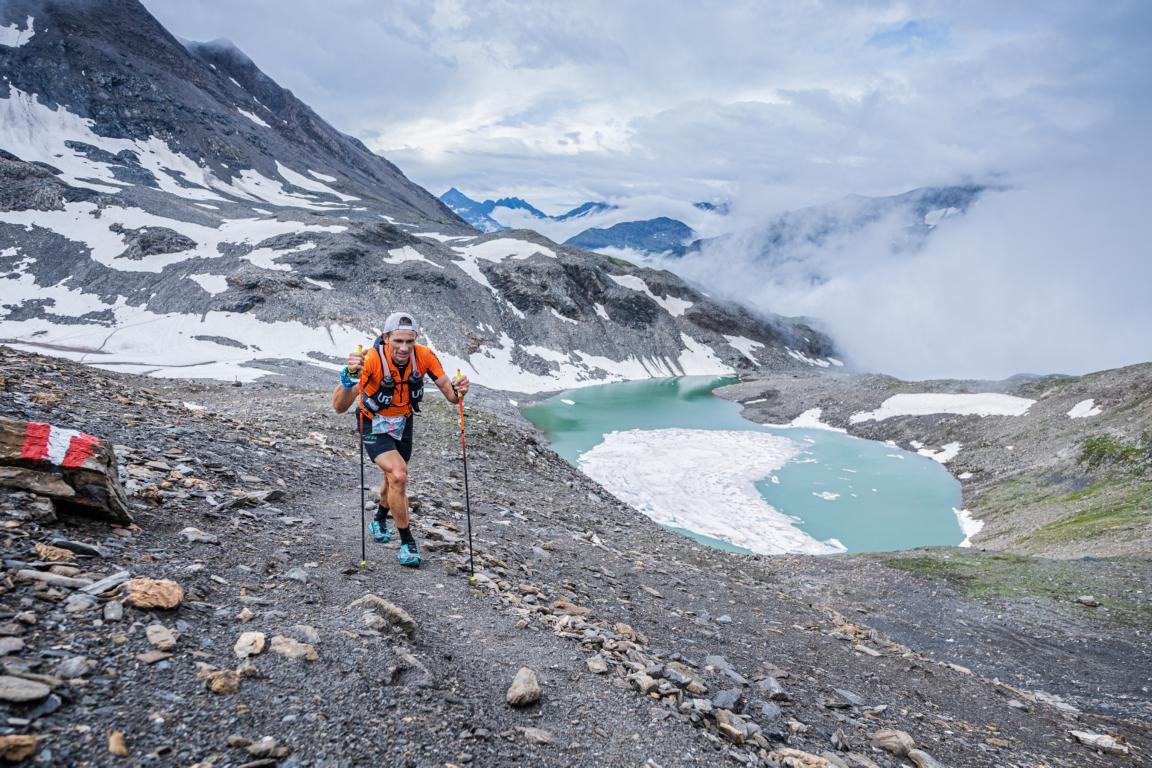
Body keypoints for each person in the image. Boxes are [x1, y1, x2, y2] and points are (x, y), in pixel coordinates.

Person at [331, 311, 470, 567]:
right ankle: (407, 542)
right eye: (398, 341)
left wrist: (460, 388)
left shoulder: (424, 356)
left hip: (403, 421)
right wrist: (349, 378)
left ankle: (379, 519)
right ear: (386, 338)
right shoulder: (371, 359)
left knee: (393, 478)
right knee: (398, 474)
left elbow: (451, 396)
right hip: (372, 421)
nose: (404, 348)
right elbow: (339, 406)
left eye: (409, 341)